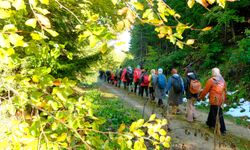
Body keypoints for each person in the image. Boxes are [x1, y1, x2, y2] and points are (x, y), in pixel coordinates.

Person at [199, 68, 227, 135]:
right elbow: (225, 90)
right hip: (220, 99)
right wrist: (223, 99)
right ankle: (209, 123)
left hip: (214, 100)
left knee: (217, 114)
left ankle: (222, 129)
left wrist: (201, 97)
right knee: (213, 111)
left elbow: (205, 90)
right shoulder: (223, 80)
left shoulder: (211, 80)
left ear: (213, 73)